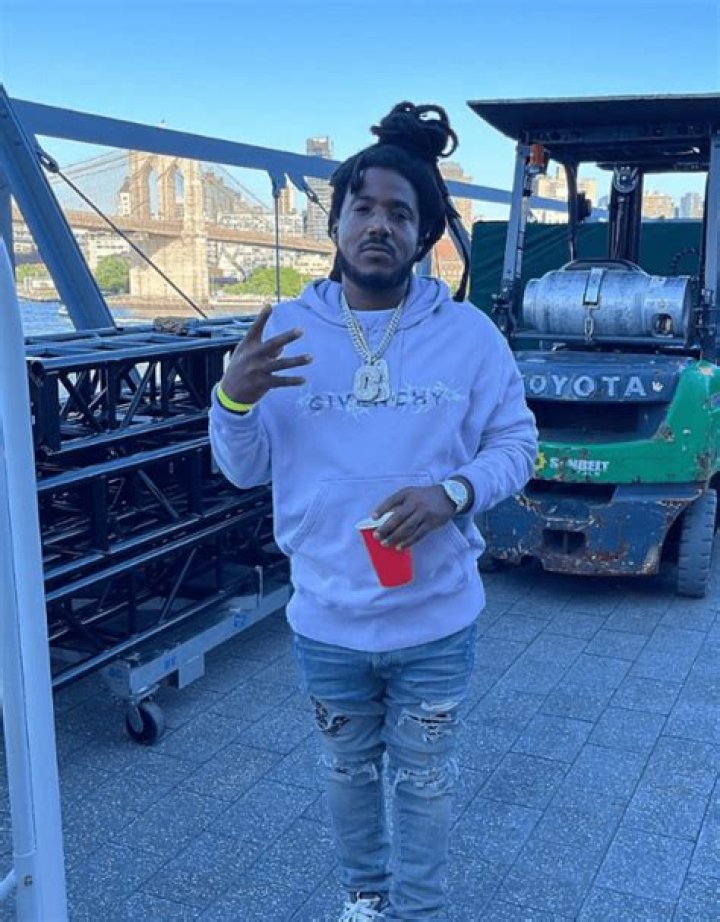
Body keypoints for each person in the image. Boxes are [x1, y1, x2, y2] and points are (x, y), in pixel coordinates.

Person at [209, 102, 537, 921]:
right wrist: (232, 400)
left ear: (426, 235)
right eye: (363, 208)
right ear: (336, 223)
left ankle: (419, 913)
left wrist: (453, 493)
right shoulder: (283, 333)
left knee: (425, 782)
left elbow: (518, 443)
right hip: (326, 620)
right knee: (346, 774)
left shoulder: (469, 336)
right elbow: (242, 472)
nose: (379, 225)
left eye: (400, 212)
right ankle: (365, 899)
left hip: (436, 622)